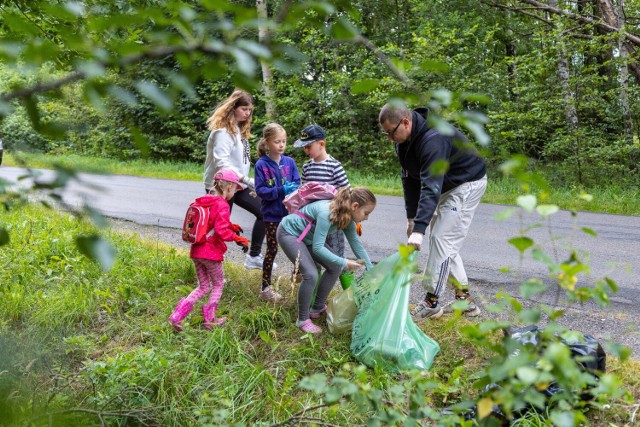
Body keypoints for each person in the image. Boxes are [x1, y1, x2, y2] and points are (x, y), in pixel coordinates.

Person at [379, 103, 488, 321]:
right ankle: (464, 300)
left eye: (391, 132)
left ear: (406, 122)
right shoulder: (404, 141)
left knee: (441, 238)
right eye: (386, 134)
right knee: (445, 243)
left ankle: (431, 302)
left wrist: (420, 230)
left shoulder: (433, 139)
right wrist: (412, 218)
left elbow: (430, 186)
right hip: (444, 186)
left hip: (466, 184)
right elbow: (409, 179)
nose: (390, 138)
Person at [277, 187, 376, 334]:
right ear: (355, 206)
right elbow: (318, 248)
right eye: (366, 213)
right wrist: (344, 262)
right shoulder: (327, 212)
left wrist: (370, 269)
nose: (366, 218)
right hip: (289, 233)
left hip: (308, 238)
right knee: (311, 274)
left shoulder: (349, 219)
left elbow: (356, 244)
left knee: (335, 267)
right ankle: (302, 319)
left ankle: (317, 307)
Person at [168, 169, 250, 331]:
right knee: (218, 284)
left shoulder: (205, 200)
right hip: (210, 253)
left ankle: (177, 317)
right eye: (234, 190)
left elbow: (211, 223)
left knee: (203, 286)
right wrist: (238, 238)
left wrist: (231, 225)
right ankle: (210, 320)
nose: (234, 193)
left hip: (196, 250)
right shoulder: (223, 204)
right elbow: (221, 231)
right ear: (228, 188)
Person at [203, 89, 276, 271]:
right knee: (220, 230)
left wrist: (246, 180)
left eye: (250, 109)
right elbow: (222, 163)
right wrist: (245, 179)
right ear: (232, 108)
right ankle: (211, 269)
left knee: (264, 211)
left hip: (238, 186)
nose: (248, 113)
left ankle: (254, 257)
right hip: (221, 187)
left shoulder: (239, 131)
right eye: (244, 108)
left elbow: (240, 161)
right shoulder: (222, 132)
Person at [254, 123, 301, 302]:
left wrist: (294, 188)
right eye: (277, 141)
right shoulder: (261, 165)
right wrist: (281, 190)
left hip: (290, 214)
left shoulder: (290, 162)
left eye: (284, 141)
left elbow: (297, 182)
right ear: (267, 143)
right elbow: (261, 191)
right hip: (272, 215)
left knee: (298, 246)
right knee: (272, 249)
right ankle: (265, 288)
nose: (281, 145)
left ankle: (297, 276)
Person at [294, 124, 350, 259]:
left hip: (332, 219)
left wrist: (350, 216)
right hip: (312, 221)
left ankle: (346, 279)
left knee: (336, 254)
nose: (306, 150)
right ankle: (316, 279)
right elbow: (303, 193)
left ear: (321, 144)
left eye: (308, 146)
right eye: (304, 147)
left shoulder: (334, 166)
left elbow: (347, 191)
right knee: (314, 254)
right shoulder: (307, 167)